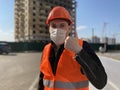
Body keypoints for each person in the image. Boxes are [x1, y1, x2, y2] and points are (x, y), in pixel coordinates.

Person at [38, 6, 107, 90]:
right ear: (49, 28)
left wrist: (79, 51)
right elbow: (42, 79)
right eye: (53, 26)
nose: (57, 30)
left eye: (62, 25)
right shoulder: (46, 49)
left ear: (69, 28)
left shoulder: (82, 46)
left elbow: (101, 82)